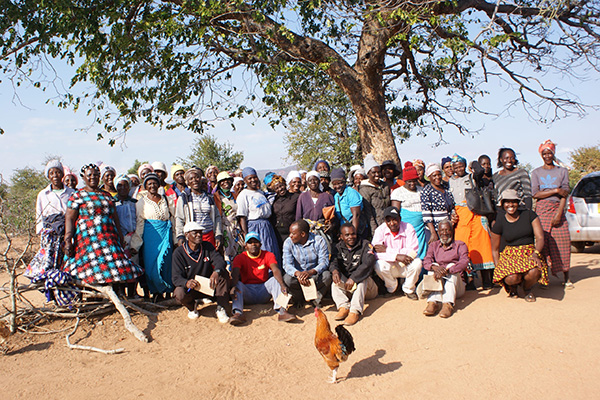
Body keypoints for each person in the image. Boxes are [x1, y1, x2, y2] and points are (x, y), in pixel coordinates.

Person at [62, 163, 141, 286]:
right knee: (87, 270)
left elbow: (115, 218)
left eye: (96, 175)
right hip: (87, 241)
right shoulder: (77, 196)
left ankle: (114, 296)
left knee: (113, 269)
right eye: (89, 175)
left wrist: (120, 237)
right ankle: (89, 298)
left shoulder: (107, 196)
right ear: (83, 177)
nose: (93, 177)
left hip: (108, 240)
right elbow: (69, 219)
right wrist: (68, 239)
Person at [491, 189, 548, 302]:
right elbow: (495, 249)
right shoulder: (500, 222)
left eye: (514, 202)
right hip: (510, 255)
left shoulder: (529, 215)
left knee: (534, 271)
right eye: (507, 202)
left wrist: (536, 254)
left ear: (518, 203)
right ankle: (513, 288)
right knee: (512, 277)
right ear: (502, 204)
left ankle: (526, 289)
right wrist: (498, 268)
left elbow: (540, 237)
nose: (510, 205)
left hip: (529, 252)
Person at [229, 232, 297, 325]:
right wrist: (233, 286)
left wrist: (282, 285)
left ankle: (282, 311)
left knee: (274, 280)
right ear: (245, 246)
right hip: (247, 291)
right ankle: (238, 313)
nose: (253, 244)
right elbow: (235, 273)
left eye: (256, 242)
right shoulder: (240, 257)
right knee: (238, 285)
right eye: (250, 242)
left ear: (260, 244)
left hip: (263, 290)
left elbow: (275, 270)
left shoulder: (268, 255)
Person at [449, 154, 495, 288]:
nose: (459, 169)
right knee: (463, 248)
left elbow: (480, 171)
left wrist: (473, 164)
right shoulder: (450, 181)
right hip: (460, 216)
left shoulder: (471, 178)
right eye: (456, 167)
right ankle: (470, 282)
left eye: (461, 166)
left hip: (475, 214)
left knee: (482, 246)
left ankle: (487, 281)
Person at [531, 140, 572, 288]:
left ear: (554, 154)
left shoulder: (562, 171)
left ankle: (566, 276)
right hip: (542, 210)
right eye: (544, 153)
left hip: (558, 208)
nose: (547, 155)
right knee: (544, 243)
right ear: (541, 155)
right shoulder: (536, 173)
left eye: (549, 153)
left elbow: (565, 193)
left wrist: (559, 213)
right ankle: (544, 277)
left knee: (563, 241)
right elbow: (535, 193)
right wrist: (555, 190)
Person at [171, 221, 231, 323]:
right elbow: (176, 277)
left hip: (209, 287)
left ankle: (221, 308)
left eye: (200, 232)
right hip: (192, 289)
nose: (199, 235)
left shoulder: (207, 246)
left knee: (223, 273)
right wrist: (186, 283)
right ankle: (191, 307)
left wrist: (216, 271)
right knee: (179, 292)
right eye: (195, 233)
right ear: (187, 235)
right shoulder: (179, 253)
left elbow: (220, 261)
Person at [25, 160, 76, 279]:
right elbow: (39, 214)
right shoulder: (43, 194)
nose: (55, 175)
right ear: (48, 176)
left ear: (62, 174)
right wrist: (41, 233)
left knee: (67, 259)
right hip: (50, 232)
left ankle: (68, 290)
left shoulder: (71, 193)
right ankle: (51, 289)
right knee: (50, 262)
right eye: (52, 173)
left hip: (67, 230)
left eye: (58, 172)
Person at [130, 173, 175, 300]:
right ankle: (156, 292)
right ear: (145, 186)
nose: (152, 186)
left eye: (154, 183)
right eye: (149, 183)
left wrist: (176, 238)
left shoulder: (167, 200)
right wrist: (135, 244)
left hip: (166, 234)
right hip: (150, 236)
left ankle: (167, 292)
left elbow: (174, 219)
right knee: (152, 266)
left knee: (166, 263)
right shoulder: (141, 203)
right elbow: (140, 224)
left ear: (159, 184)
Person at [330, 223, 378, 326]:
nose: (351, 237)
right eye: (347, 235)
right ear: (341, 237)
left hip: (368, 290)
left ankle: (355, 311)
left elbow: (368, 263)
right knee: (335, 282)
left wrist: (354, 278)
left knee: (362, 280)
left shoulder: (365, 245)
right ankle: (343, 307)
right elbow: (333, 262)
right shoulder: (338, 247)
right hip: (350, 288)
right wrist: (334, 271)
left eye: (353, 234)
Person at [372, 206, 422, 299]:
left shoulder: (408, 227)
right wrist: (396, 256)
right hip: (391, 265)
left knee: (417, 263)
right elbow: (376, 254)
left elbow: (413, 250)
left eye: (395, 220)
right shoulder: (380, 230)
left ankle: (408, 289)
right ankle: (392, 288)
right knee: (378, 264)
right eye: (389, 221)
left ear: (400, 219)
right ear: (385, 221)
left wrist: (387, 250)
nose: (392, 223)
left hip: (405, 263)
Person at [421, 219, 468, 318]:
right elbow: (426, 261)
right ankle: (433, 302)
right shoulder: (434, 246)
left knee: (452, 267)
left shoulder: (460, 245)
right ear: (438, 232)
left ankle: (447, 304)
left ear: (452, 231)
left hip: (457, 287)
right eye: (442, 231)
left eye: (447, 230)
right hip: (439, 285)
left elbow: (464, 262)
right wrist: (435, 268)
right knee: (432, 267)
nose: (444, 233)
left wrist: (447, 271)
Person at [282, 219, 331, 307]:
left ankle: (316, 299)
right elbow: (287, 264)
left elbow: (324, 262)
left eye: (293, 233)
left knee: (327, 276)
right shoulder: (288, 242)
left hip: (314, 275)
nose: (290, 236)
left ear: (303, 234)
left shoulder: (319, 241)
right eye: (290, 233)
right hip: (298, 277)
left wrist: (310, 272)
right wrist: (298, 274)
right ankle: (298, 299)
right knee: (287, 279)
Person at [237, 167, 281, 263]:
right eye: (249, 178)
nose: (253, 180)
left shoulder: (261, 193)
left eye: (254, 177)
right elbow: (242, 217)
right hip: (254, 228)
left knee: (271, 252)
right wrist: (246, 236)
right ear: (245, 180)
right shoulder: (243, 195)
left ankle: (273, 276)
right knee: (259, 255)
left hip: (267, 227)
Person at [175, 168, 222, 249]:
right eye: (191, 179)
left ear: (201, 179)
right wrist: (180, 236)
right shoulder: (184, 197)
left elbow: (217, 217)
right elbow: (179, 218)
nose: (194, 180)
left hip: (209, 234)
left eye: (197, 177)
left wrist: (218, 235)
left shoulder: (209, 197)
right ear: (188, 182)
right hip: (192, 237)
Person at [391, 162, 428, 259]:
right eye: (409, 182)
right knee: (409, 249)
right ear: (405, 181)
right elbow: (395, 212)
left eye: (414, 181)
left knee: (422, 249)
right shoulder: (398, 192)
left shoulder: (422, 190)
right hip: (406, 227)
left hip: (422, 227)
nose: (412, 184)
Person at [421, 163, 458, 243]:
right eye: (434, 175)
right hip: (436, 230)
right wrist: (433, 233)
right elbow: (426, 215)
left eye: (439, 175)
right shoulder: (426, 191)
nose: (437, 177)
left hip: (449, 229)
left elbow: (452, 206)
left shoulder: (446, 189)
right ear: (429, 177)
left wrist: (453, 218)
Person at [214, 171, 243, 263]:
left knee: (240, 252)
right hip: (224, 229)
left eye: (228, 180)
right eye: (222, 181)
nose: (225, 182)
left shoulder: (235, 196)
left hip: (236, 229)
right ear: (219, 183)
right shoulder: (216, 197)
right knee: (227, 255)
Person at [331, 168, 368, 239]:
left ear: (344, 181)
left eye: (340, 183)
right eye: (334, 184)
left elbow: (356, 216)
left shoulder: (351, 193)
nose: (337, 186)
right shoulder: (336, 196)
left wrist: (353, 235)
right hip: (345, 231)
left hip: (357, 230)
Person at [359, 154, 391, 236]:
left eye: (378, 172)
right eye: (373, 172)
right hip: (375, 225)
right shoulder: (364, 189)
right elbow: (368, 212)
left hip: (388, 223)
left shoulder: (385, 186)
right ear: (368, 174)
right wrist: (375, 231)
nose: (377, 174)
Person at [270, 175, 300, 245]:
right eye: (277, 188)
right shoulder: (273, 201)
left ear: (285, 184)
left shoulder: (295, 197)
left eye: (281, 186)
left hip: (292, 233)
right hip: (278, 234)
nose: (280, 189)